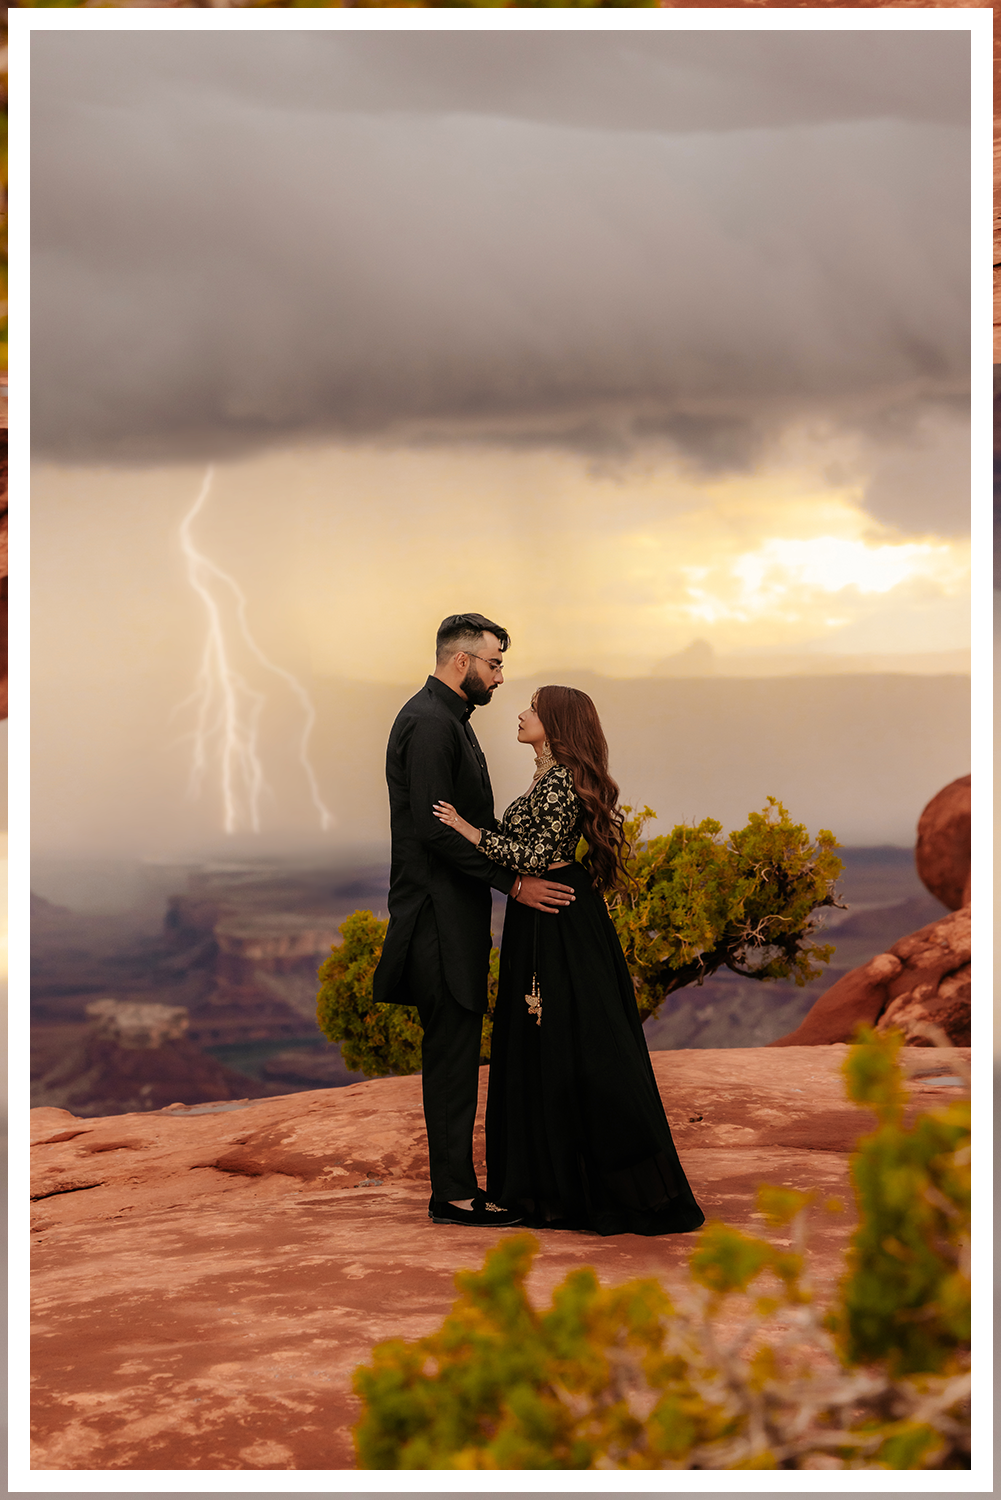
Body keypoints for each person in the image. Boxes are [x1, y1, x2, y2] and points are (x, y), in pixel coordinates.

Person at [433, 684, 705, 1237]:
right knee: (548, 1042)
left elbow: (538, 855)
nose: (521, 713)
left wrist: (467, 830)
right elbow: (528, 846)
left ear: (556, 723)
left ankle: (586, 1189)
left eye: (533, 708)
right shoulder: (548, 778)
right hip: (541, 915)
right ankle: (554, 1188)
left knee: (576, 1042)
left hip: (559, 918)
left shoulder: (559, 781)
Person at [372, 615, 578, 1228]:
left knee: (458, 1049)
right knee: (453, 1053)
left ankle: (458, 1188)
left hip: (453, 913)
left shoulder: (449, 719)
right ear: (461, 661)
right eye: (494, 664)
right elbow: (435, 831)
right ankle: (455, 1195)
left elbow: (469, 825)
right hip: (437, 917)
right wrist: (513, 883)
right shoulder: (432, 724)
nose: (500, 677)